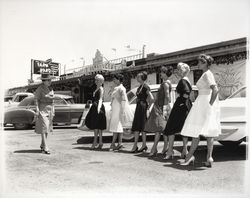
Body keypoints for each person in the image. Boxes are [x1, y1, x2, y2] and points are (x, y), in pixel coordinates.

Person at [180, 54, 221, 167]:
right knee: (208, 132)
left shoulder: (207, 74)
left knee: (196, 131)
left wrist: (209, 105)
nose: (198, 64)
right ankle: (209, 158)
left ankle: (189, 157)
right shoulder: (206, 74)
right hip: (202, 102)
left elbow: (215, 90)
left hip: (204, 102)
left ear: (204, 63)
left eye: (199, 62)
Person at [163, 62, 192, 159]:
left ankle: (170, 151)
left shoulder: (183, 81)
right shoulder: (187, 80)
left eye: (179, 70)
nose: (178, 71)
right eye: (178, 69)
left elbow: (186, 92)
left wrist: (181, 102)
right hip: (185, 106)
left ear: (183, 71)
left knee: (171, 127)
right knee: (184, 129)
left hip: (180, 106)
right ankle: (184, 150)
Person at [144, 66, 173, 157]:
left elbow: (167, 97)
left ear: (165, 73)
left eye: (162, 72)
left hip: (160, 107)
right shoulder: (167, 83)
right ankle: (164, 148)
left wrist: (164, 109)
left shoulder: (165, 84)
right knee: (162, 128)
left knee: (158, 128)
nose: (160, 74)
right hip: (160, 107)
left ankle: (154, 148)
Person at [130, 72, 154, 153]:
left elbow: (152, 98)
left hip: (143, 107)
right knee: (138, 127)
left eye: (138, 77)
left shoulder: (146, 87)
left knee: (142, 127)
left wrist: (148, 108)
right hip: (139, 107)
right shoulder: (140, 86)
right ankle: (140, 145)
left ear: (143, 78)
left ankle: (140, 145)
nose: (137, 78)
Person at [109, 74, 133, 151]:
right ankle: (119, 143)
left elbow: (123, 100)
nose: (114, 80)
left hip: (118, 109)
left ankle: (114, 144)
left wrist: (122, 110)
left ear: (119, 80)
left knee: (117, 126)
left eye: (115, 79)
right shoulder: (117, 88)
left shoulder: (121, 88)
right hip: (115, 109)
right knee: (117, 126)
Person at [34, 72, 55, 154]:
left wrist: (53, 110)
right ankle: (46, 147)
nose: (50, 81)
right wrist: (37, 109)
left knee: (47, 129)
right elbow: (36, 99)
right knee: (44, 128)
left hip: (50, 110)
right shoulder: (39, 89)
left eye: (50, 80)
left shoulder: (51, 89)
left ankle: (42, 145)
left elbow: (53, 100)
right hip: (42, 109)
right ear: (43, 81)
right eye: (48, 80)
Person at [85, 74, 106, 149]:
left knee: (97, 126)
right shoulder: (97, 88)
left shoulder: (101, 89)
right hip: (95, 106)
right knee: (97, 126)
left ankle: (95, 142)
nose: (96, 81)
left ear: (101, 81)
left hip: (98, 107)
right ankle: (100, 142)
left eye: (98, 80)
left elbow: (100, 99)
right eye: (96, 80)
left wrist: (98, 108)